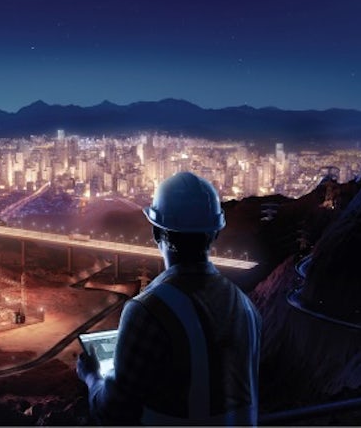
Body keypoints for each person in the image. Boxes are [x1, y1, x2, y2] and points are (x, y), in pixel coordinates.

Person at [77, 171, 262, 426]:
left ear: (155, 234)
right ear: (214, 235)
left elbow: (113, 410)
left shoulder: (148, 310)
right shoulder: (246, 306)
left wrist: (92, 378)